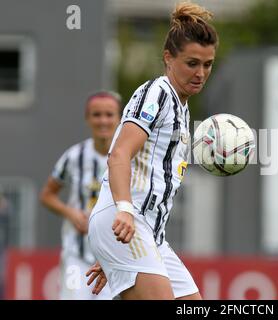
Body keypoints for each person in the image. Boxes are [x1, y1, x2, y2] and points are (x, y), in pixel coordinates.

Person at [85, 2, 218, 300]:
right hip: (127, 221)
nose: (200, 73)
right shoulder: (156, 93)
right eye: (192, 63)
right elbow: (119, 155)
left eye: (207, 65)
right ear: (168, 58)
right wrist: (124, 213)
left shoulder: (182, 108)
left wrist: (116, 254)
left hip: (148, 235)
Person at [40, 91, 122, 299]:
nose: (103, 120)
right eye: (97, 115)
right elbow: (47, 195)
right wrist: (70, 213)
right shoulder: (74, 156)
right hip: (76, 255)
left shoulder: (129, 158)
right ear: (88, 119)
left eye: (109, 114)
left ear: (119, 118)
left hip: (113, 257)